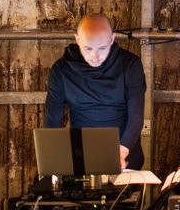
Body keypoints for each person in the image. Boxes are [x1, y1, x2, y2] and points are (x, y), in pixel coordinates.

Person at [44, 14, 146, 170]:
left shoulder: (130, 65)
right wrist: (53, 163)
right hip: (80, 156)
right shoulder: (61, 70)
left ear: (112, 39)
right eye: (88, 48)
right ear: (77, 39)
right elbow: (52, 122)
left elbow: (136, 117)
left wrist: (121, 153)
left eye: (102, 48)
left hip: (125, 154)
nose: (95, 56)